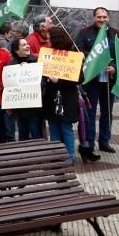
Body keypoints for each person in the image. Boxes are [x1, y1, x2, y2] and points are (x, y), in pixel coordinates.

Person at [74, 7, 119, 159]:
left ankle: (105, 141)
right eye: (99, 17)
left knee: (107, 112)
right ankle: (89, 144)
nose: (102, 20)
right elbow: (78, 51)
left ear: (108, 18)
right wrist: (97, 60)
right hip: (90, 80)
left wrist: (114, 67)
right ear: (94, 18)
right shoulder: (84, 33)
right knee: (89, 114)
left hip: (109, 80)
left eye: (104, 17)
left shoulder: (116, 34)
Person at [41, 28, 80, 164]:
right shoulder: (47, 54)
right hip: (51, 97)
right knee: (53, 127)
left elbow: (80, 78)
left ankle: (69, 155)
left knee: (65, 127)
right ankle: (55, 154)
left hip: (66, 98)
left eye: (49, 38)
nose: (46, 41)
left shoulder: (72, 55)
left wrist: (60, 80)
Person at [8, 37, 43, 140]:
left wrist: (29, 69)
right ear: (16, 50)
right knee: (23, 132)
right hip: (20, 107)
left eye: (27, 44)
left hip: (34, 105)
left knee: (35, 131)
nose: (28, 46)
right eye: (23, 45)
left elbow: (42, 81)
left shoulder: (36, 61)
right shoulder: (11, 66)